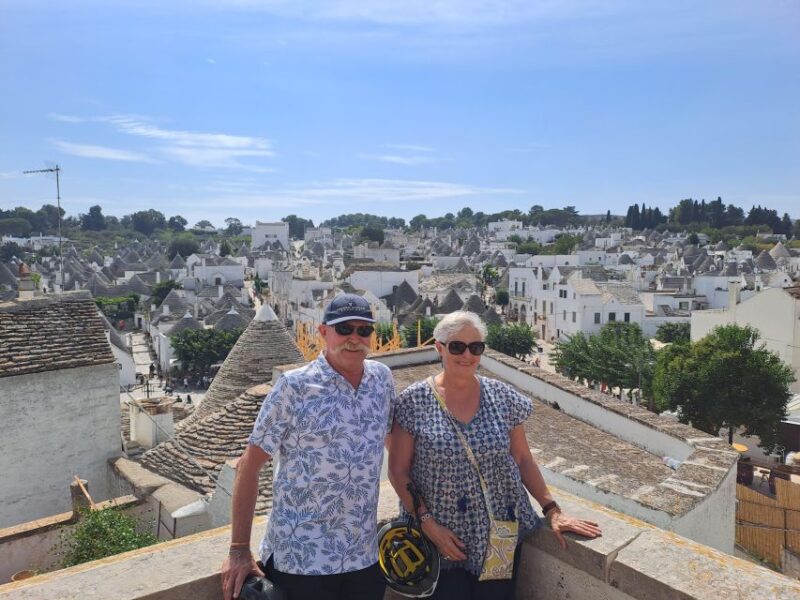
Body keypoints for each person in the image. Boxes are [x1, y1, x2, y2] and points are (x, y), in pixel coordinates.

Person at [389, 311, 601, 599]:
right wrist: (428, 524)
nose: (467, 355)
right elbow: (399, 472)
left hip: (499, 535)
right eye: (457, 347)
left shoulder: (502, 397)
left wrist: (552, 510)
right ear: (439, 347)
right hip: (442, 538)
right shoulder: (413, 402)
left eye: (476, 347)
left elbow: (523, 459)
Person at [221, 293, 395, 600]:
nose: (354, 338)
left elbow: (393, 442)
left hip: (362, 556)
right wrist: (238, 550)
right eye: (344, 329)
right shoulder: (294, 387)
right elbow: (249, 465)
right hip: (301, 559)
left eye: (363, 330)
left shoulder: (381, 380)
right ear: (324, 332)